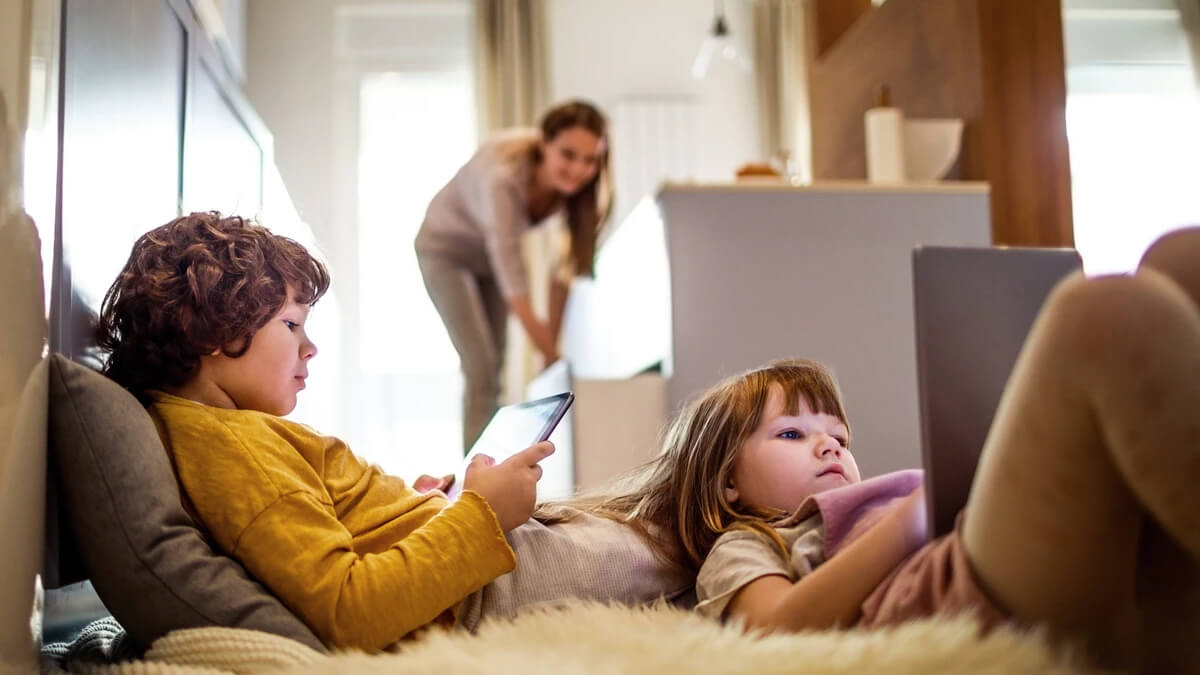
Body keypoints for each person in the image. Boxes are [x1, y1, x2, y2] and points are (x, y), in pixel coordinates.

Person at [601, 228, 1199, 674]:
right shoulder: (748, 544)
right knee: (1097, 315)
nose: (828, 448)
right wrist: (911, 520)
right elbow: (771, 632)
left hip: (1006, 551)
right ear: (727, 481)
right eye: (793, 435)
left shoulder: (878, 498)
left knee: (1179, 259)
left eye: (839, 437)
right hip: (956, 590)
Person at [94, 212, 686, 652]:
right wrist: (479, 514)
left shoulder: (228, 433)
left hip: (474, 567)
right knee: (682, 538)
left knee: (658, 521)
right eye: (292, 324)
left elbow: (346, 534)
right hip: (486, 590)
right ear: (210, 332)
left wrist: (425, 506)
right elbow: (352, 609)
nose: (311, 346)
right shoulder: (232, 449)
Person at [414, 100, 611, 454]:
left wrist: (552, 348)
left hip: (486, 259)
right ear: (544, 144)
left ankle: (490, 463)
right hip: (444, 249)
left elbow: (560, 273)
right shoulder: (503, 178)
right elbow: (514, 283)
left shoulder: (572, 192)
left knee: (498, 364)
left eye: (590, 159)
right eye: (568, 155)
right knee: (481, 365)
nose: (579, 169)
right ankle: (474, 480)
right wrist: (551, 355)